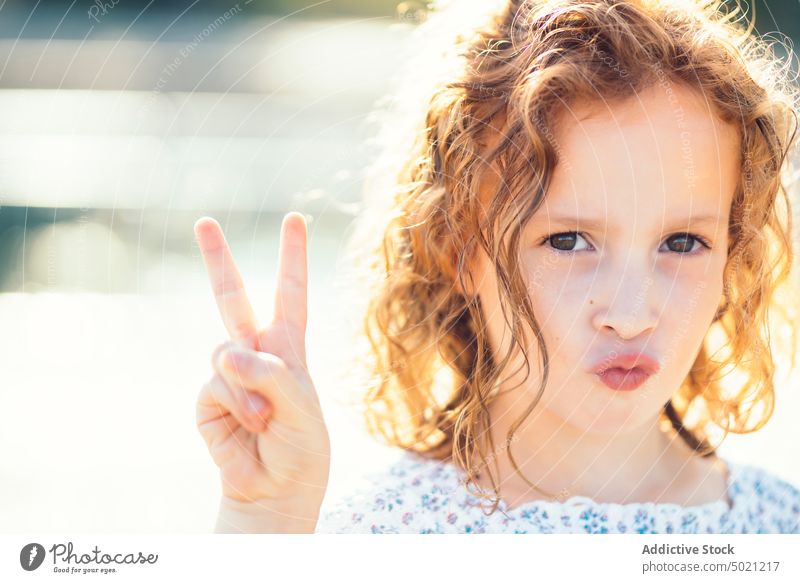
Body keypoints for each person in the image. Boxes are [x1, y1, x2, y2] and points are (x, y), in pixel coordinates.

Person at [193, 0, 800, 533]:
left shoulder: (776, 526)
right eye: (567, 242)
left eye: (682, 243)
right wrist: (263, 522)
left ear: (735, 253)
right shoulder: (386, 532)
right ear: (459, 249)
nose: (631, 314)